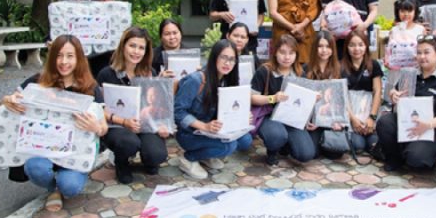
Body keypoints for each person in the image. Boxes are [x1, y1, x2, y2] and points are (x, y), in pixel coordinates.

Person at [0, 35, 108, 212]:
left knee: (70, 187)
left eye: (70, 56)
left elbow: (103, 127)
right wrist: (7, 100)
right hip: (43, 150)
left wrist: (96, 127)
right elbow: (4, 105)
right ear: (52, 57)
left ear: (79, 58)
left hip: (74, 153)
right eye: (59, 55)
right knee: (35, 168)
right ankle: (52, 188)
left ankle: (60, 186)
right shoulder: (38, 81)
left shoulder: (90, 87)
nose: (64, 61)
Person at [97, 27, 168, 184]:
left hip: (144, 124)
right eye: (132, 45)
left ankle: (147, 157)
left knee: (156, 155)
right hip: (118, 125)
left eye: (141, 47)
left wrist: (162, 124)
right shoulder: (106, 74)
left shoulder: (150, 73)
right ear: (123, 46)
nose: (136, 51)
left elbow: (157, 104)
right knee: (128, 143)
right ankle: (121, 162)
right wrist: (123, 122)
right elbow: (100, 109)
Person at [377, 34, 436, 171]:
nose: (422, 57)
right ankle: (394, 159)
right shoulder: (410, 74)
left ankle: (412, 152)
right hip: (407, 123)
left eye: (427, 52)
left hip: (432, 129)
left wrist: (429, 125)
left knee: (417, 160)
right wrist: (393, 95)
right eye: (419, 53)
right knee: (385, 122)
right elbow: (395, 92)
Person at [174, 40, 253, 180]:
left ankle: (206, 155)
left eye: (232, 59)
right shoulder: (196, 80)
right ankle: (188, 158)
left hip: (212, 131)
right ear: (214, 57)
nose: (227, 63)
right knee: (228, 147)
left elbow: (229, 111)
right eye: (223, 57)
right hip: (190, 133)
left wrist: (242, 116)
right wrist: (204, 126)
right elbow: (178, 112)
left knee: (245, 140)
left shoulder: (227, 80)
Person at [251, 34, 316, 165]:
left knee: (306, 154)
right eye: (283, 52)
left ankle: (285, 146)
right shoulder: (265, 71)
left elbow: (302, 101)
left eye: (291, 53)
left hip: (291, 118)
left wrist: (309, 109)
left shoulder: (299, 73)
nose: (287, 57)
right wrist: (273, 98)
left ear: (296, 55)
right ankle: (273, 149)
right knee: (276, 136)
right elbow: (252, 98)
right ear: (275, 52)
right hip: (269, 116)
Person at [67, 0, 115, 78]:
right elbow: (57, 28)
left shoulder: (108, 1)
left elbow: (116, 28)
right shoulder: (68, 2)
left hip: (103, 57)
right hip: (76, 57)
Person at [341, 31, 383, 153]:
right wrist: (353, 120)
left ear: (366, 46)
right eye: (352, 45)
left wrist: (372, 117)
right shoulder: (340, 67)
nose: (356, 49)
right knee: (358, 145)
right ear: (346, 47)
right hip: (351, 114)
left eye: (360, 44)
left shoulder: (373, 65)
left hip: (369, 112)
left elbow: (377, 91)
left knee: (372, 144)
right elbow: (341, 96)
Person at [385, 0, 425, 70]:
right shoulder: (394, 30)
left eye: (409, 11)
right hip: (396, 70)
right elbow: (389, 50)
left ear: (415, 12)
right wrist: (387, 60)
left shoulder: (420, 30)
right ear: (397, 12)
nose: (406, 14)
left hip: (415, 70)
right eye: (402, 11)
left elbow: (424, 49)